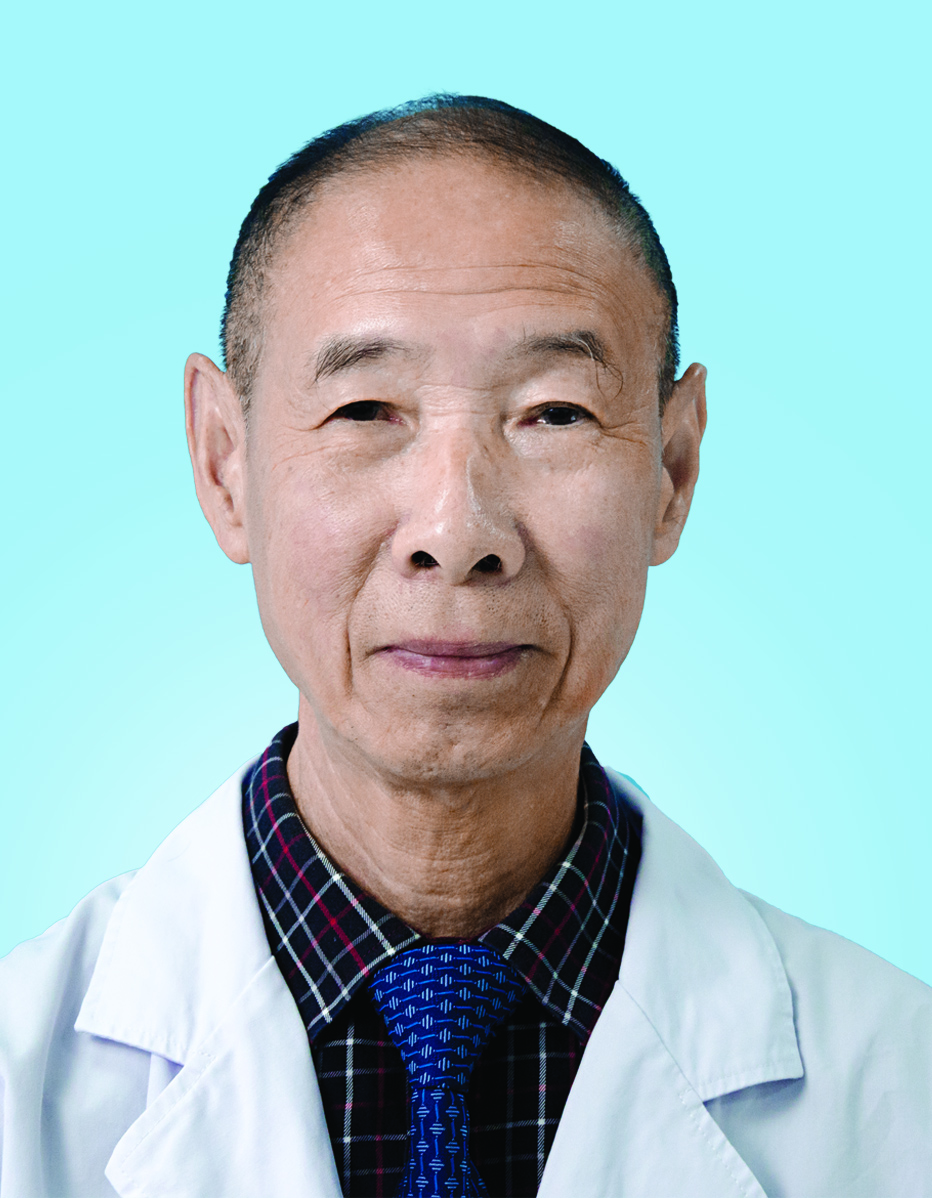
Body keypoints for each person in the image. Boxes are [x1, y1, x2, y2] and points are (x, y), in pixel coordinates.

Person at [0, 95, 929, 1198]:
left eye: (554, 413)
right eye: (365, 410)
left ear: (671, 471)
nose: (456, 530)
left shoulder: (898, 1089)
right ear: (223, 462)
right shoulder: (20, 1079)